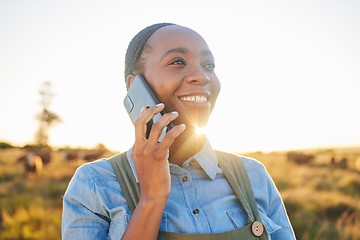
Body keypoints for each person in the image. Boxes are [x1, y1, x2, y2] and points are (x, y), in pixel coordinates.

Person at [62, 23, 296, 240]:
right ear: (135, 87)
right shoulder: (94, 184)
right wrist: (151, 200)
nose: (202, 76)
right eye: (178, 62)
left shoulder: (254, 175)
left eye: (209, 66)